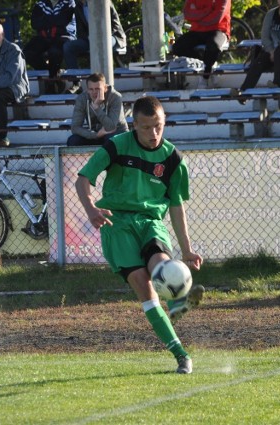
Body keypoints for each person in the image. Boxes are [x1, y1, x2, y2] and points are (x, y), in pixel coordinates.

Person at [75, 96, 204, 374]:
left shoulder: (173, 158)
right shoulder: (117, 145)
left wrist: (187, 249)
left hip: (150, 223)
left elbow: (176, 205)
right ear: (134, 125)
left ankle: (176, 298)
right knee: (143, 285)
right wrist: (90, 208)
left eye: (158, 126)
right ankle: (181, 353)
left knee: (162, 267)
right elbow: (83, 179)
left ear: (164, 122)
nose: (153, 134)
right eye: (146, 128)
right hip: (117, 225)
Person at [63, 0, 126, 93]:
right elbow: (80, 30)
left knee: (102, 43)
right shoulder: (78, 7)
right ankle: (76, 83)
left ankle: (105, 85)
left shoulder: (103, 2)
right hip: (90, 39)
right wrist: (89, 38)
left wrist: (101, 36)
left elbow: (115, 24)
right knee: (68, 47)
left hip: (111, 36)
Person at [171, 0, 231, 89]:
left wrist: (197, 16)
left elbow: (216, 18)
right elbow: (187, 13)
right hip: (196, 30)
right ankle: (207, 62)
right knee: (177, 48)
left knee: (213, 46)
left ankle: (205, 75)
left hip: (218, 30)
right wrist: (208, 11)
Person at [24, 0, 76, 91]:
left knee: (54, 52)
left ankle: (51, 81)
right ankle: (52, 77)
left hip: (64, 36)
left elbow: (63, 21)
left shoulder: (69, 3)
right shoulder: (40, 4)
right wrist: (54, 20)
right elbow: (35, 23)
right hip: (44, 36)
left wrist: (45, 19)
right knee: (27, 53)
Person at [67, 72, 128, 146]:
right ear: (87, 90)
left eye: (97, 89)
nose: (94, 92)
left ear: (105, 88)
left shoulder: (115, 97)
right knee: (73, 140)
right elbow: (75, 127)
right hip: (96, 134)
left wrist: (96, 107)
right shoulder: (82, 99)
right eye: (91, 89)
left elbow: (111, 127)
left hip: (116, 133)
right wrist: (95, 135)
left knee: (110, 140)